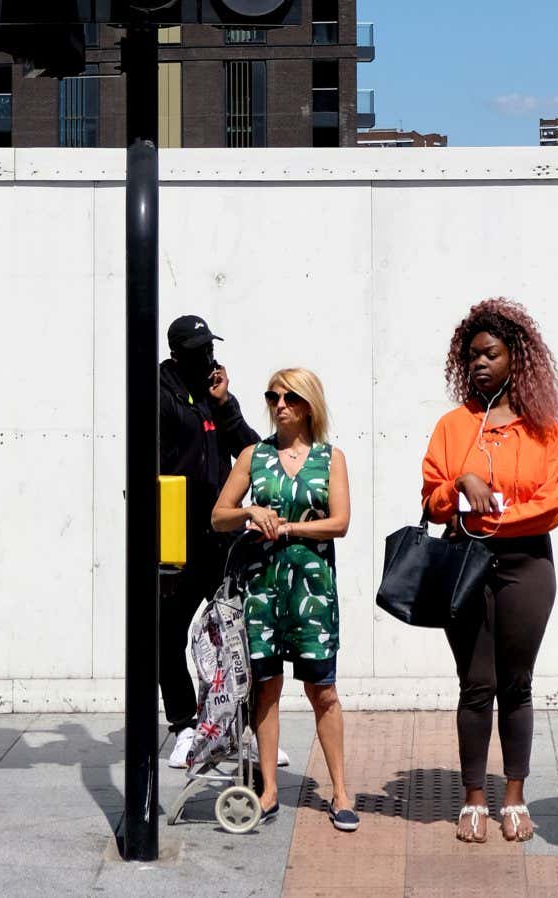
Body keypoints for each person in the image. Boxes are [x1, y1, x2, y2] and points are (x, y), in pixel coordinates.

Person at [421, 298, 558, 844]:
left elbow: (551, 508)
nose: (479, 363)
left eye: (491, 354)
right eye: (472, 355)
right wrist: (461, 484)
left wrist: (486, 514)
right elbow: (432, 499)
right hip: (466, 564)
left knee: (517, 683)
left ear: (516, 359)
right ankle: (474, 798)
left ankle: (514, 796)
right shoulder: (453, 426)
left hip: (527, 566)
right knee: (475, 684)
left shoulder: (543, 429)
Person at [211, 368, 358, 832]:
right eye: (273, 396)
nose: (279, 405)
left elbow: (340, 523)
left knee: (323, 690)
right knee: (266, 687)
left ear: (309, 405)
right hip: (263, 588)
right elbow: (218, 516)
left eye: (290, 397)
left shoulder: (330, 458)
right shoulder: (254, 456)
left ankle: (340, 791)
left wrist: (289, 527)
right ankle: (270, 789)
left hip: (312, 590)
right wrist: (249, 511)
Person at [158, 315, 286, 769]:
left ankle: (247, 730)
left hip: (222, 538)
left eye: (210, 349)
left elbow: (253, 453)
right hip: (177, 539)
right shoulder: (160, 395)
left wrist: (226, 403)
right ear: (177, 354)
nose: (208, 359)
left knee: (240, 634)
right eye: (199, 352)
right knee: (168, 635)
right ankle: (184, 726)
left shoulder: (215, 396)